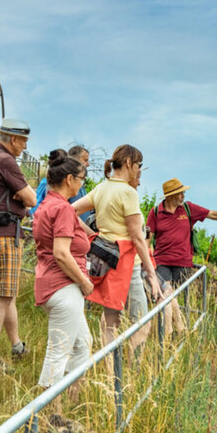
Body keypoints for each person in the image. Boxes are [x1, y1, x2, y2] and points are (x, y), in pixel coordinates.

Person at [73, 145, 161, 347]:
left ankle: (110, 371)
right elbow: (138, 238)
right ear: (129, 163)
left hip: (106, 260)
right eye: (138, 165)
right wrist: (152, 275)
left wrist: (93, 236)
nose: (139, 169)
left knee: (110, 321)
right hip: (128, 264)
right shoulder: (128, 193)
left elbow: (69, 211)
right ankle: (133, 372)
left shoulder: (102, 188)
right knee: (141, 323)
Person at [147, 178, 217, 331]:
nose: (183, 195)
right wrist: (147, 259)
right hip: (161, 261)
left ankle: (174, 331)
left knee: (169, 295)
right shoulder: (156, 212)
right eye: (180, 193)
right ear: (170, 195)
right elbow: (148, 236)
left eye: (183, 192)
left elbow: (214, 214)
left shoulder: (188, 209)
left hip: (182, 262)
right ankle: (174, 331)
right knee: (167, 293)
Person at [32, 149, 93, 405]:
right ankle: (46, 413)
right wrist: (84, 281)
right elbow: (61, 252)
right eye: (82, 179)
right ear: (69, 179)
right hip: (64, 286)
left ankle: (70, 400)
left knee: (83, 344)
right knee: (58, 352)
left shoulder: (47, 204)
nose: (82, 184)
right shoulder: (64, 209)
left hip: (50, 283)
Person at [0, 118, 38, 366]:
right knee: (1, 298)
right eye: (23, 141)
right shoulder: (5, 160)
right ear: (13, 139)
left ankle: (16, 345)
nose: (24, 147)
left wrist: (19, 196)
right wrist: (21, 197)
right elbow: (32, 198)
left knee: (6, 293)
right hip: (5, 235)